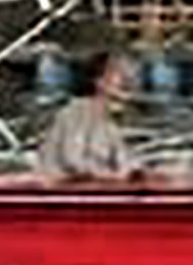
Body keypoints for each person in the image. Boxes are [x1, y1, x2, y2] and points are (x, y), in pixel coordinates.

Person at [37, 48, 144, 182]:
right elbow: (74, 162)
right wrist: (113, 176)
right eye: (118, 72)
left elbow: (126, 162)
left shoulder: (108, 120)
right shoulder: (76, 112)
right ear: (98, 81)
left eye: (130, 72)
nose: (128, 78)